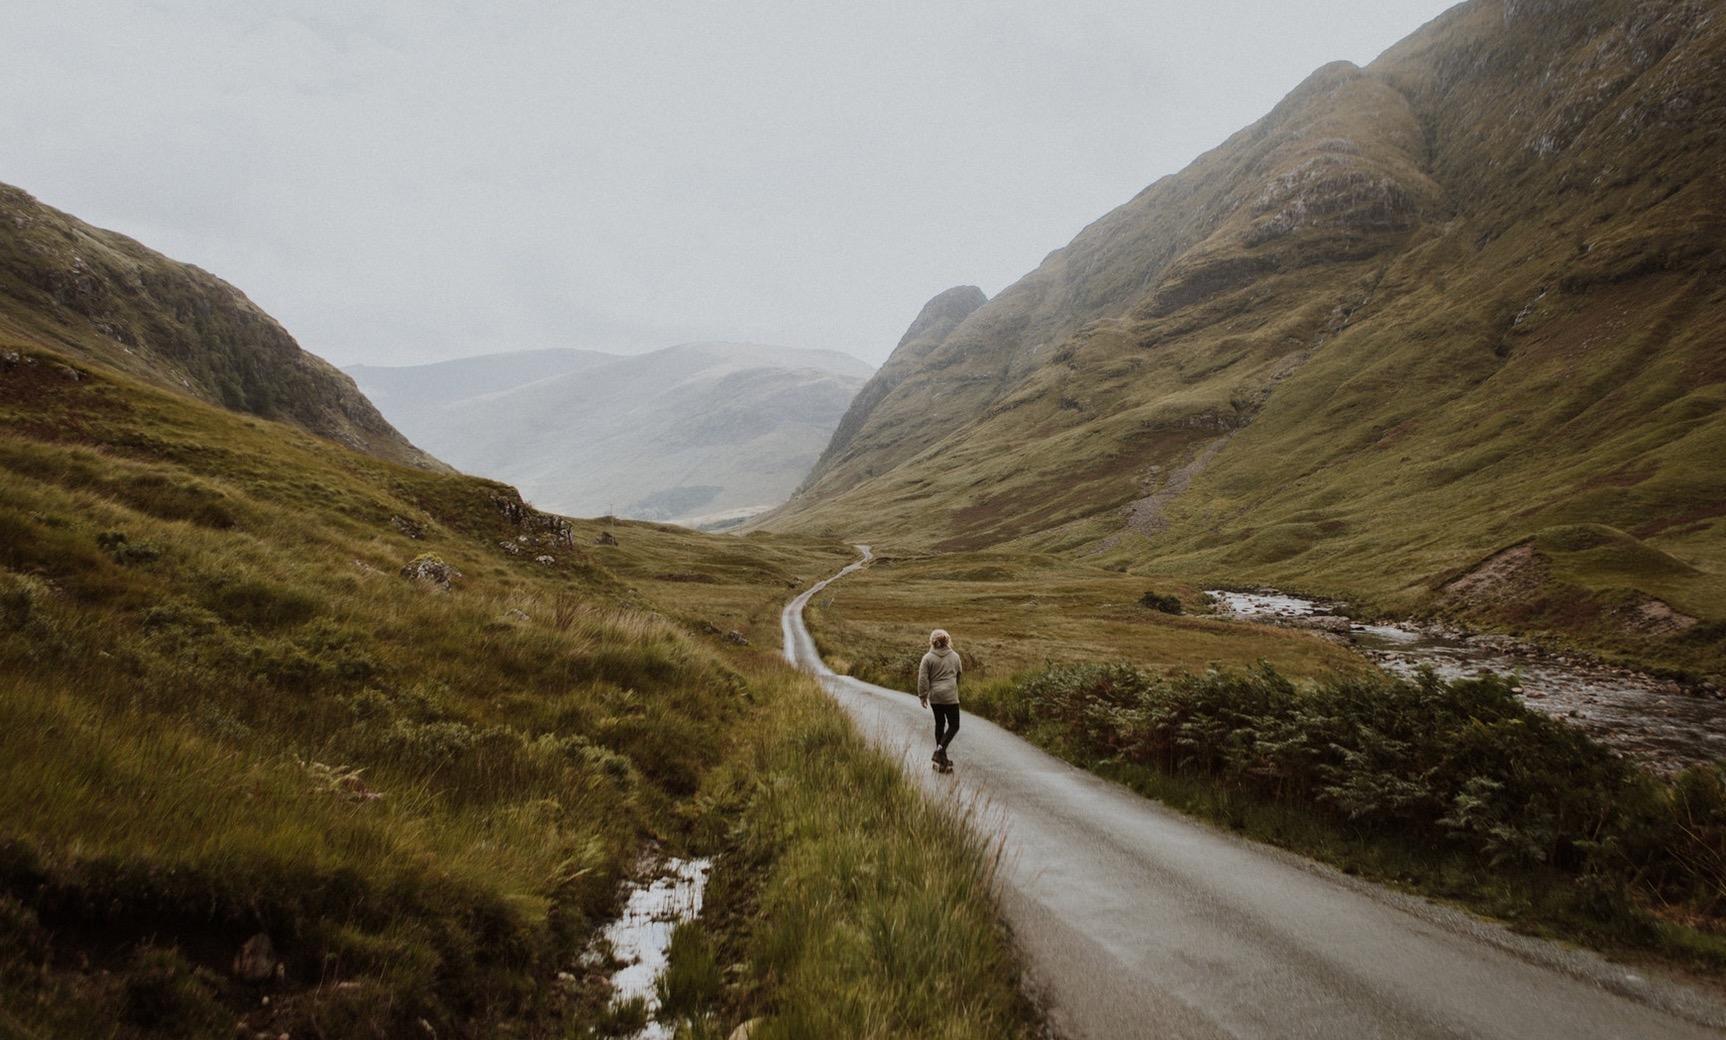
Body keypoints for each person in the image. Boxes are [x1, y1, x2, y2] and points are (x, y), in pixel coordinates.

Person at [918, 628, 962, 769]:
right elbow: (959, 674)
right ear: (948, 640)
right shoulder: (955, 656)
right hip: (950, 696)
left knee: (940, 724)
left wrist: (923, 695)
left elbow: (923, 678)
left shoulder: (927, 658)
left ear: (932, 641)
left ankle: (941, 758)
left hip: (936, 697)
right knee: (954, 725)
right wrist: (953, 687)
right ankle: (940, 752)